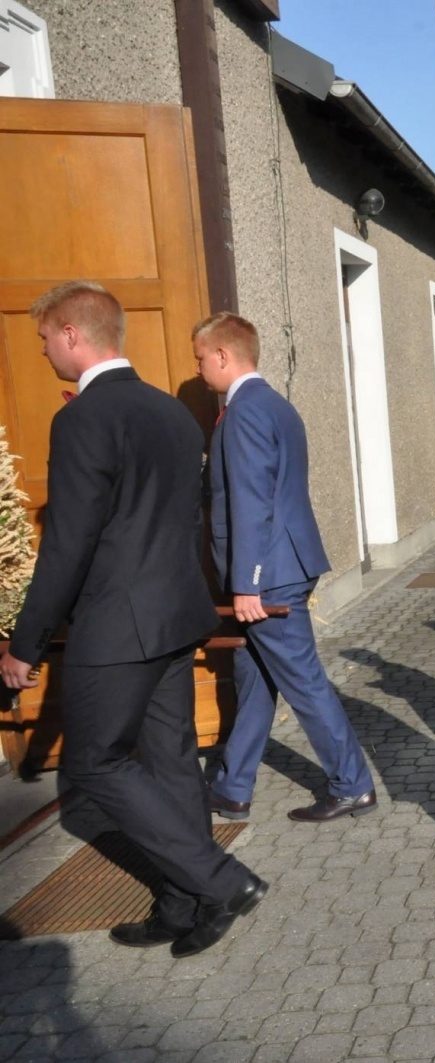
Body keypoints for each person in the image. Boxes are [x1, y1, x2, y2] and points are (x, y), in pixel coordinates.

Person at [0, 282, 266, 958]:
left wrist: (24, 642)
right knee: (173, 761)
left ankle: (222, 879)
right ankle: (184, 901)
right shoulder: (172, 413)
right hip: (175, 617)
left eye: (43, 338)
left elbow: (69, 542)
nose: (42, 349)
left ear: (70, 335)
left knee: (94, 765)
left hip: (117, 627)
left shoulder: (84, 418)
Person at [193, 313, 378, 823]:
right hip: (280, 562)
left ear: (224, 356)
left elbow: (252, 502)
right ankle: (232, 788)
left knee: (303, 681)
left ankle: (352, 784)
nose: (200, 369)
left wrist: (246, 582)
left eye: (201, 358)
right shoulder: (273, 404)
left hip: (267, 573)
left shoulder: (246, 411)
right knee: (253, 675)